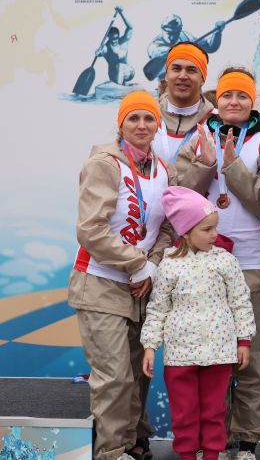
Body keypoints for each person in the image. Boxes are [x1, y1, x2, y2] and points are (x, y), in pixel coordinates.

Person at [177, 68, 260, 460]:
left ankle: (247, 440)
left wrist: (233, 166)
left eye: (242, 95)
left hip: (253, 264)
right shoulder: (199, 136)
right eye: (226, 96)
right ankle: (212, 441)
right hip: (203, 266)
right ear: (215, 101)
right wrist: (204, 166)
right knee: (209, 361)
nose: (234, 102)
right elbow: (178, 199)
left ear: (253, 102)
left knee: (254, 360)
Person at [68, 90, 175, 460]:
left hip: (141, 288)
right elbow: (91, 230)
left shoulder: (165, 169)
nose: (142, 125)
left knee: (137, 375)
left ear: (157, 125)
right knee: (114, 377)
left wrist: (153, 266)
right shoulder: (105, 163)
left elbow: (168, 228)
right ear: (121, 124)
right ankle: (111, 452)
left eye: (149, 118)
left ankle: (131, 444)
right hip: (100, 283)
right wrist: (136, 263)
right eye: (134, 118)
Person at [141, 186, 256, 460]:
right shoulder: (169, 265)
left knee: (214, 410)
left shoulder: (226, 261)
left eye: (215, 227)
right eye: (206, 229)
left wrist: (244, 341)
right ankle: (188, 455)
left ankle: (213, 454)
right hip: (180, 356)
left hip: (219, 353)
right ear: (185, 231)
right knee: (184, 411)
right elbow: (157, 308)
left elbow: (241, 302)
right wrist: (150, 346)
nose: (214, 234)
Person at [152, 42, 215, 164]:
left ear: (203, 79)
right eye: (176, 69)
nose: (182, 76)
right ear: (166, 75)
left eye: (191, 70)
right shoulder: (147, 117)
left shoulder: (216, 123)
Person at [147, 15, 224, 81]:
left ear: (180, 30)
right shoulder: (155, 46)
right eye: (169, 32)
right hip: (166, 83)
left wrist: (217, 33)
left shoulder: (184, 36)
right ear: (162, 29)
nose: (172, 37)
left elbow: (211, 48)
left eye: (175, 33)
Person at [96, 7, 135, 85]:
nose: (114, 41)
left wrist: (121, 13)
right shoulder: (106, 47)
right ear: (108, 37)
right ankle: (119, 86)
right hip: (113, 74)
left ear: (118, 36)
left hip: (128, 72)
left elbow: (130, 27)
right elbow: (99, 52)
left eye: (116, 38)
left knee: (121, 66)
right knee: (120, 66)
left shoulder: (123, 41)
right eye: (112, 39)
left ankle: (119, 86)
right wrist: (98, 52)